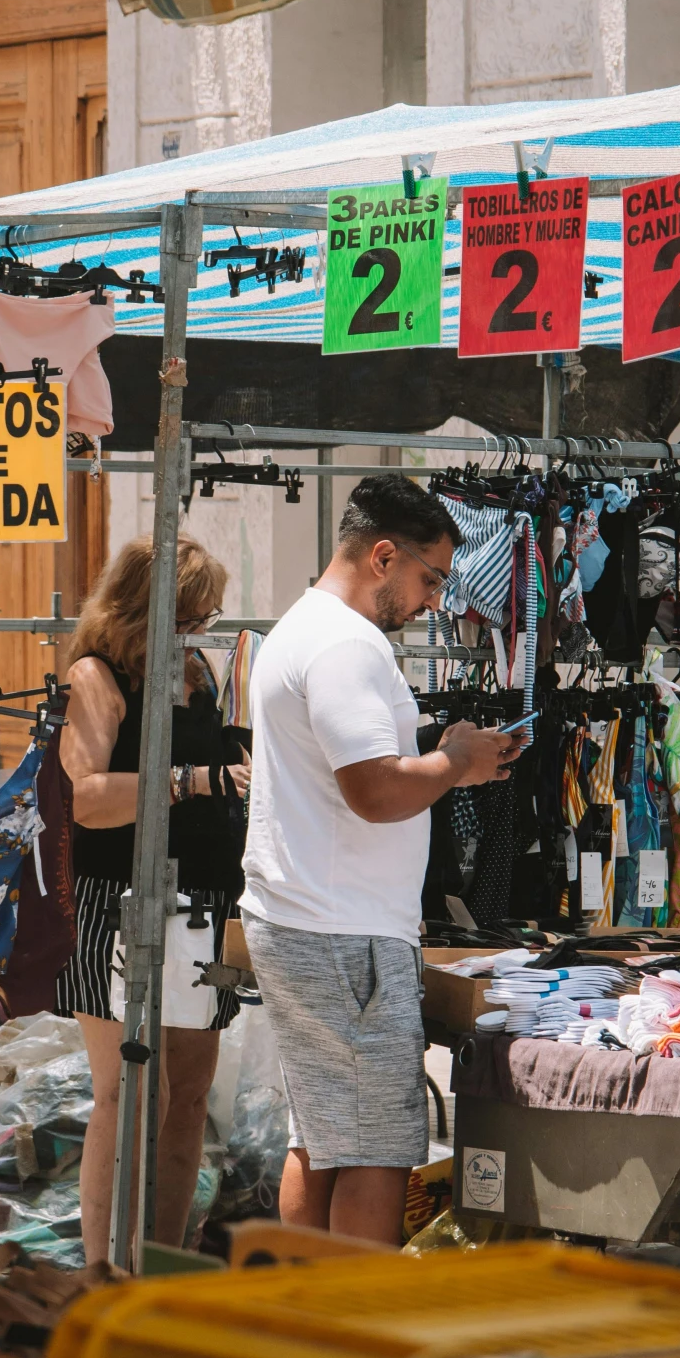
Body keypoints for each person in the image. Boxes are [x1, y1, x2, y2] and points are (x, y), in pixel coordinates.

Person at [240, 473, 524, 1246]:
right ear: (383, 555)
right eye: (429, 579)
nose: (434, 601)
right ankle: (346, 1334)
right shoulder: (344, 646)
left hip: (312, 918)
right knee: (375, 1148)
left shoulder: (302, 627)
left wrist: (440, 760)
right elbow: (371, 790)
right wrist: (455, 762)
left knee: (327, 1138)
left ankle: (308, 1322)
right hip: (342, 933)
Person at [59, 535, 248, 1261]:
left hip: (202, 896)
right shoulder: (96, 677)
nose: (203, 628)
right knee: (133, 1093)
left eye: (209, 614)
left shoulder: (196, 673)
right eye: (193, 613)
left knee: (188, 1095)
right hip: (117, 897)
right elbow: (83, 797)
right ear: (147, 609)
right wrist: (191, 781)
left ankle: (161, 1260)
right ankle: (105, 1267)